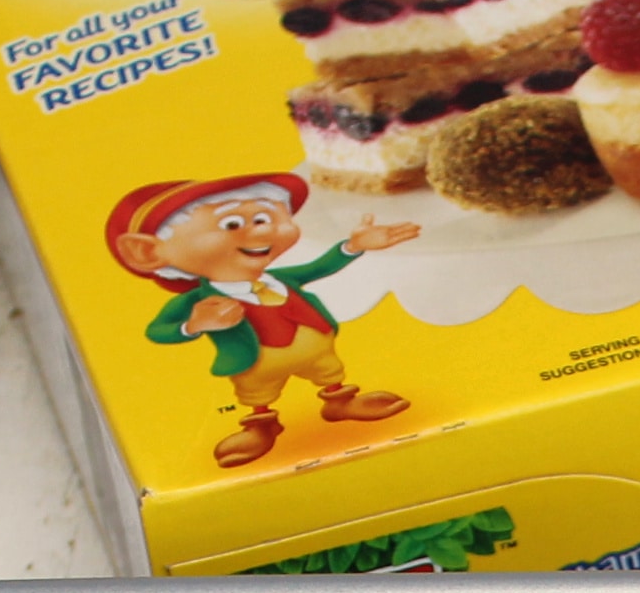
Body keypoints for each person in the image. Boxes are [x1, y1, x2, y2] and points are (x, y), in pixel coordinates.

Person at [106, 173, 420, 468]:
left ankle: (339, 402)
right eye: (231, 224)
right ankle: (262, 424)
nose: (262, 231)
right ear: (148, 252)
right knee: (257, 392)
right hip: (255, 363)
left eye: (264, 218)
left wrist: (353, 247)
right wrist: (194, 325)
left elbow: (319, 267)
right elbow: (157, 331)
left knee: (328, 369)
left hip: (316, 346)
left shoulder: (281, 279)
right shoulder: (198, 303)